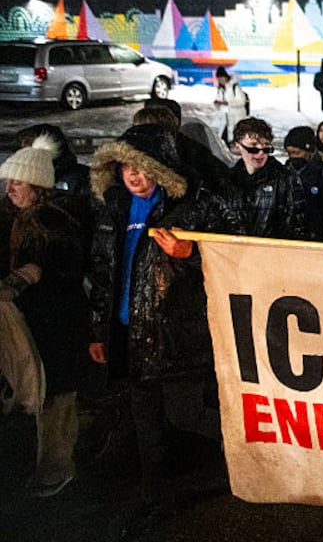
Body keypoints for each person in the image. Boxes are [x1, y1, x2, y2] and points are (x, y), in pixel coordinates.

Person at [87, 124, 241, 517]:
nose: (133, 176)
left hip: (177, 336)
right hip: (128, 332)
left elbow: (236, 254)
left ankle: (234, 475)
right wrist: (100, 330)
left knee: (188, 415)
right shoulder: (115, 207)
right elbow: (105, 270)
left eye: (141, 167)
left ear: (160, 169)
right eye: (125, 167)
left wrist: (192, 251)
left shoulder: (191, 206)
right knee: (146, 422)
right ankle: (155, 498)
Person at [0, 133, 90, 497]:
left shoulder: (53, 224)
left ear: (38, 186)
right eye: (8, 181)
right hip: (32, 321)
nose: (10, 188)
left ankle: (57, 468)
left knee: (56, 398)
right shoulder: (17, 217)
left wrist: (20, 281)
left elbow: (49, 267)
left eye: (18, 183)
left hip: (58, 323)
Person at [225, 118, 311, 240]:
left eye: (266, 148)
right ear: (238, 146)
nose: (261, 154)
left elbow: (298, 227)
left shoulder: (285, 179)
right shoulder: (229, 180)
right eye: (253, 147)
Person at [212, 66, 247, 145]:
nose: (221, 81)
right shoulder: (221, 89)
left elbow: (242, 102)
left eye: (222, 78)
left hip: (237, 118)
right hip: (226, 119)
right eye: (219, 79)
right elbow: (219, 101)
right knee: (225, 141)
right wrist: (217, 103)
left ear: (225, 77)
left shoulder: (235, 87)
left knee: (237, 140)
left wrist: (228, 103)